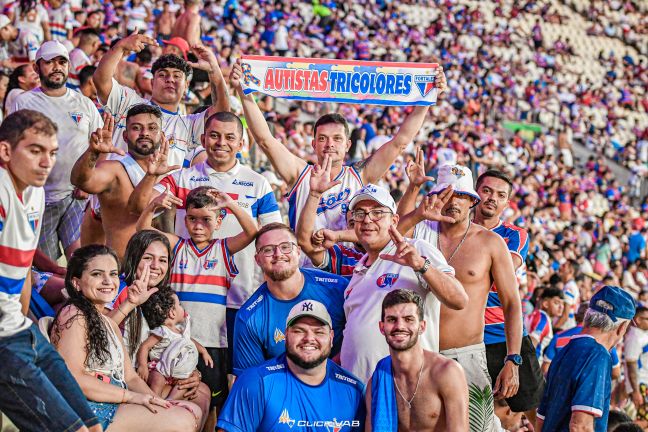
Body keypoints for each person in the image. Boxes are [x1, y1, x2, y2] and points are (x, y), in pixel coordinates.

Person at [128, 111, 283, 365]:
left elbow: (271, 235)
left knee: (228, 373)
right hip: (185, 299)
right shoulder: (181, 177)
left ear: (241, 143)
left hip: (241, 297)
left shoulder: (258, 184)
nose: (221, 142)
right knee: (178, 369)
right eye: (214, 135)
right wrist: (151, 176)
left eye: (229, 137)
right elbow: (138, 207)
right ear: (202, 138)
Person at [230, 59, 443, 234]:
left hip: (350, 268)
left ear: (348, 145)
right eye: (322, 138)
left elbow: (400, 142)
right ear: (313, 144)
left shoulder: (361, 174)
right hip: (308, 270)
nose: (329, 144)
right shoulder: (299, 174)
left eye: (337, 139)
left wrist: (427, 98)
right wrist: (243, 91)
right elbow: (265, 140)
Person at [398, 164, 522, 431]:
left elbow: (512, 303)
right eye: (446, 193)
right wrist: (414, 190)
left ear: (472, 201)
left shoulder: (491, 243)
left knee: (476, 427)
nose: (453, 202)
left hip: (466, 355)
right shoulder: (421, 233)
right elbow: (392, 233)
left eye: (461, 196)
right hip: (418, 352)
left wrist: (513, 358)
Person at [0, 109, 101, 432]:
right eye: (35, 151)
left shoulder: (35, 193)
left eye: (53, 153)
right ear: (5, 151)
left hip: (20, 329)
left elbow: (25, 269)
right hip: (3, 342)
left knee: (92, 425)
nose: (47, 162)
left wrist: (22, 320)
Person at [137, 185, 258, 429]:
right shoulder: (177, 246)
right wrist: (153, 205)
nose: (198, 226)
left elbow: (252, 231)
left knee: (212, 400)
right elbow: (143, 230)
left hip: (213, 341)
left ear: (219, 222)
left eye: (206, 220)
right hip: (174, 341)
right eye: (192, 219)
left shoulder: (223, 248)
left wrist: (231, 204)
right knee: (175, 391)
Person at [51, 244, 202, 431]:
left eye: (113, 274)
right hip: (88, 410)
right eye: (97, 274)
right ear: (77, 283)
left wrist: (157, 402)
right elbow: (73, 377)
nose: (108, 281)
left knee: (191, 409)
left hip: (110, 402)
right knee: (182, 420)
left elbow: (131, 378)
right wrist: (131, 397)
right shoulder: (74, 315)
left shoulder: (104, 321)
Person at [341, 183, 467, 383]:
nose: (367, 220)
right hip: (359, 392)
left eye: (377, 212)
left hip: (407, 388)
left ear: (394, 220)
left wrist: (420, 265)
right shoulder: (357, 272)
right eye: (359, 213)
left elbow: (458, 299)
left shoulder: (416, 249)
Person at [9, 40, 103, 262]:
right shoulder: (24, 102)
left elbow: (101, 146)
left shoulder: (84, 103)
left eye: (62, 62)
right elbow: (13, 150)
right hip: (40, 199)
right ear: (36, 67)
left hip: (76, 197)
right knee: (45, 268)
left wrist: (90, 183)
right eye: (49, 62)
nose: (57, 67)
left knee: (80, 262)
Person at [217, 299, 366, 432]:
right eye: (299, 331)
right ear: (286, 335)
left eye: (319, 332)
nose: (309, 338)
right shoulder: (256, 382)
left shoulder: (354, 390)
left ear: (331, 338)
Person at [472, 169, 544, 420]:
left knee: (533, 410)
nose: (492, 198)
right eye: (487, 191)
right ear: (475, 192)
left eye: (500, 195)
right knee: (473, 413)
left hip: (507, 335)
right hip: (467, 337)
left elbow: (503, 271)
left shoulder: (515, 234)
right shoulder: (454, 228)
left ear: (506, 203)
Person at [233, 222, 348, 375]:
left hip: (340, 383)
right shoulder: (248, 317)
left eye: (286, 247)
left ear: (298, 251)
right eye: (267, 250)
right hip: (285, 391)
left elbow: (361, 340)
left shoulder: (338, 289)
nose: (278, 254)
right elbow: (251, 379)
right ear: (257, 259)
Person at [94, 31, 229, 159]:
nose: (170, 79)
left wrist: (214, 71)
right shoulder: (129, 102)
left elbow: (222, 115)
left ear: (186, 86)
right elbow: (101, 81)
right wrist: (119, 47)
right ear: (152, 82)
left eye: (177, 76)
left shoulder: (189, 126)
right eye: (163, 75)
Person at [71, 104, 180, 260]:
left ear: (161, 136)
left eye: (152, 128)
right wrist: (93, 152)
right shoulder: (114, 170)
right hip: (122, 274)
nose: (145, 133)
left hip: (161, 272)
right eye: (136, 128)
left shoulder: (172, 174)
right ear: (125, 136)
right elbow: (81, 181)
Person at [366, 289, 469, 431]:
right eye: (391, 320)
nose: (400, 326)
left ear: (422, 326)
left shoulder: (447, 372)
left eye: (408, 319)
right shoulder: (377, 380)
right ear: (382, 327)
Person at [536, 285, 636, 431]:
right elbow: (580, 425)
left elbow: (541, 418)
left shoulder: (565, 350)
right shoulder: (598, 355)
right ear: (621, 328)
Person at [138, 287, 212, 399]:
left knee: (183, 383)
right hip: (160, 368)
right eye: (180, 305)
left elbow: (190, 341)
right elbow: (145, 346)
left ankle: (171, 400)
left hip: (176, 370)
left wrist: (203, 351)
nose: (182, 308)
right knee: (158, 380)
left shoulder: (180, 332)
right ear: (172, 313)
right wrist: (142, 365)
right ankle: (155, 400)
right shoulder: (163, 331)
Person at [295, 155, 365, 275]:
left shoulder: (388, 251)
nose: (362, 225)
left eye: (362, 217)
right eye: (352, 223)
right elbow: (304, 241)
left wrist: (337, 235)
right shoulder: (344, 257)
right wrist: (315, 194)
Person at [543, 302, 622, 379]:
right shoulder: (606, 340)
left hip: (560, 389)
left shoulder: (559, 336)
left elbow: (546, 368)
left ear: (576, 316)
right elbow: (616, 372)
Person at [624, 306, 648, 426]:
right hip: (641, 385)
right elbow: (631, 366)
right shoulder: (634, 337)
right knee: (643, 421)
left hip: (644, 383)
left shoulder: (642, 335)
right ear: (638, 319)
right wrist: (636, 391)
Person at [525, 287, 564, 359]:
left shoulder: (537, 315)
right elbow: (531, 344)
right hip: (532, 364)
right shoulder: (543, 320)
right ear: (545, 304)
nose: (561, 307)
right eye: (556, 303)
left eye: (562, 303)